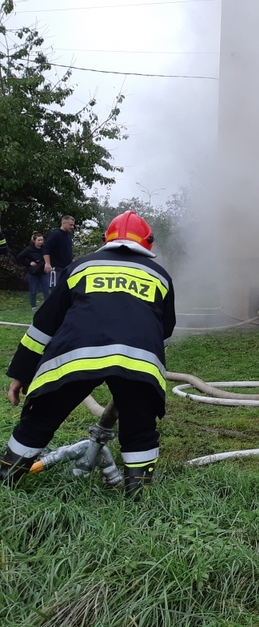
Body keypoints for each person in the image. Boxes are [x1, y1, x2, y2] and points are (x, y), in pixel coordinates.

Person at [2, 211, 176, 498]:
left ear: (106, 239)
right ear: (148, 243)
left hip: (74, 357)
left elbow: (43, 326)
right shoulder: (160, 275)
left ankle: (7, 480)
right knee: (140, 428)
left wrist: (22, 372)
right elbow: (164, 330)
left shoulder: (81, 267)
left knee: (40, 419)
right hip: (138, 360)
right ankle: (138, 495)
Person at [16, 233, 51, 310]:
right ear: (34, 241)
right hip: (33, 272)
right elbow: (19, 257)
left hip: (43, 271)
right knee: (33, 289)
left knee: (46, 289)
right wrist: (29, 263)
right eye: (39, 240)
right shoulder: (29, 249)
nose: (41, 242)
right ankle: (33, 306)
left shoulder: (45, 248)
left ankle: (47, 305)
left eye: (42, 240)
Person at [43, 215, 75, 289]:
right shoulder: (56, 234)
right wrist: (47, 263)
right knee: (55, 289)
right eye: (70, 225)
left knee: (64, 289)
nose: (72, 227)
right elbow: (46, 248)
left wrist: (72, 259)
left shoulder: (68, 236)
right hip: (56, 268)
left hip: (66, 268)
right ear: (63, 223)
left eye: (73, 225)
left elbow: (67, 250)